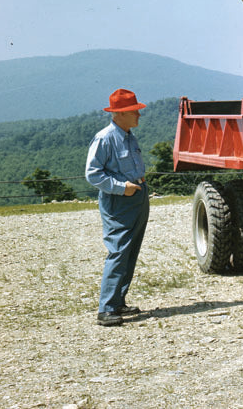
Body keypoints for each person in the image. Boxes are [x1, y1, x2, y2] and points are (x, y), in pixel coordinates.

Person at [85, 88, 151, 327]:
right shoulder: (104, 138)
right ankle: (106, 309)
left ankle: (118, 301)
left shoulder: (129, 135)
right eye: (134, 111)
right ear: (120, 114)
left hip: (137, 197)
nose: (138, 115)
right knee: (119, 250)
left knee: (130, 251)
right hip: (120, 200)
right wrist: (122, 187)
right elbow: (93, 174)